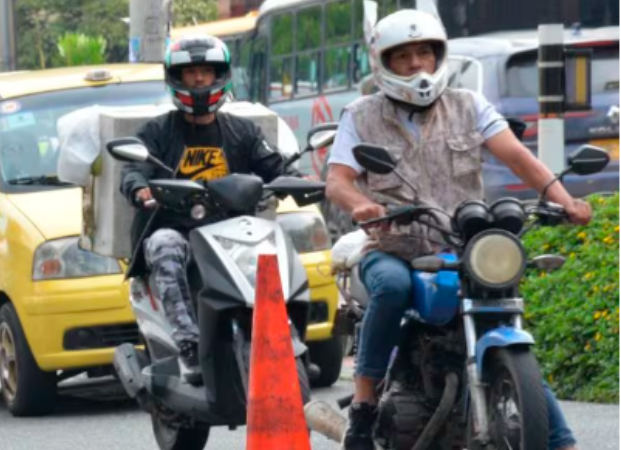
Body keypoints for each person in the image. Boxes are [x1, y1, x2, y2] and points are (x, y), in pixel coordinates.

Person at [324, 10, 586, 450]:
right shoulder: (361, 114)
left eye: (425, 52)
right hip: (394, 244)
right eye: (403, 56)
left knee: (499, 312)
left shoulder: (469, 105)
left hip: (463, 243)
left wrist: (564, 199)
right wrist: (363, 204)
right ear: (383, 63)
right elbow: (338, 180)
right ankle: (365, 405)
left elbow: (518, 156)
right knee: (390, 286)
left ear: (439, 54)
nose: (417, 64)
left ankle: (559, 440)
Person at [119, 33, 303, 386]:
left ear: (220, 75)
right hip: (178, 227)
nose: (199, 79)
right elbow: (134, 167)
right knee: (163, 245)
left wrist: (298, 179)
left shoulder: (242, 131)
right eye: (191, 73)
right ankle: (187, 343)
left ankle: (287, 334)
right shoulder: (158, 132)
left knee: (275, 247)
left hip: (232, 231)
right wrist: (140, 188)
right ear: (176, 78)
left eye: (206, 71)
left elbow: (274, 165)